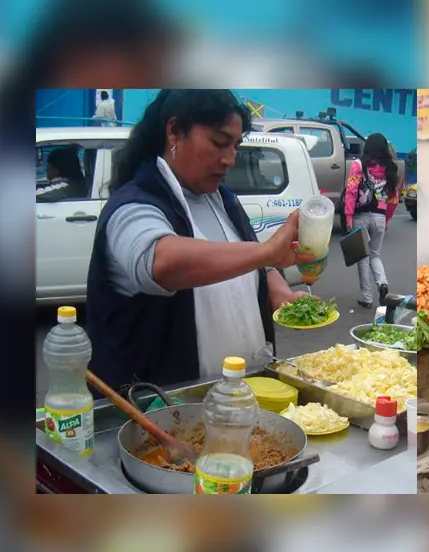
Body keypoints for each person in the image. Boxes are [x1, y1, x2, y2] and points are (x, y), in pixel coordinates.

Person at [85, 89, 314, 390]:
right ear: (174, 132)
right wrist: (268, 252)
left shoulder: (222, 199)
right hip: (164, 410)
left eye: (235, 145)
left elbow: (247, 259)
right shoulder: (133, 204)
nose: (230, 159)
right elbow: (161, 263)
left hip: (243, 394)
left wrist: (277, 288)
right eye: (219, 143)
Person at [344, 133, 399, 308]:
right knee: (375, 255)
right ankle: (382, 284)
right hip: (380, 217)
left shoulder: (358, 165)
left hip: (360, 216)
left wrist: (348, 216)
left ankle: (367, 298)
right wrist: (387, 218)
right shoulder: (390, 168)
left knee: (363, 258)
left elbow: (351, 191)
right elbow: (393, 198)